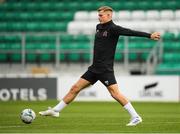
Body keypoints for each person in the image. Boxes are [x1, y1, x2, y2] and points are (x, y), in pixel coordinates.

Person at [39, 6, 160, 126]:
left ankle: (136, 117)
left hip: (105, 69)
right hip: (94, 68)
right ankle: (56, 111)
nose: (99, 17)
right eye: (98, 15)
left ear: (109, 15)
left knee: (115, 94)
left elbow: (131, 32)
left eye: (101, 15)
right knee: (75, 88)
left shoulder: (114, 28)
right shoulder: (98, 27)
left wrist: (149, 35)